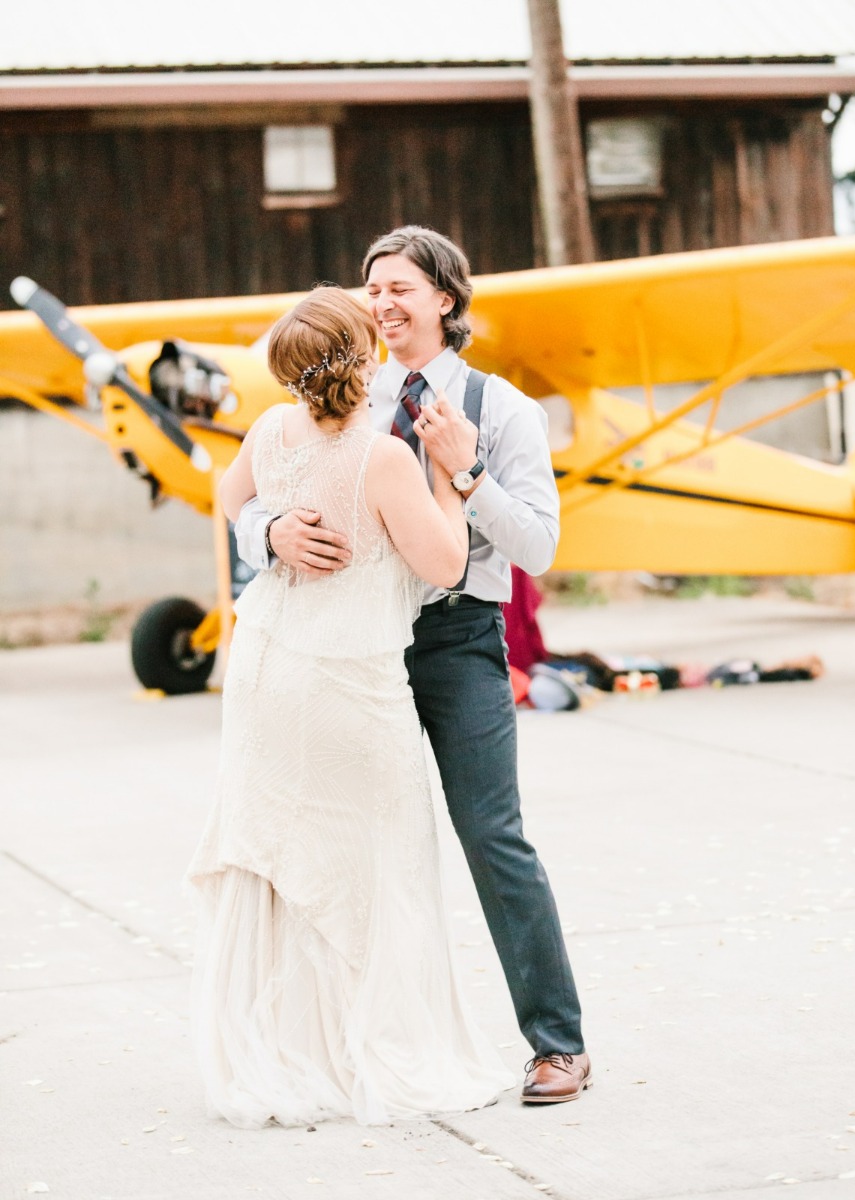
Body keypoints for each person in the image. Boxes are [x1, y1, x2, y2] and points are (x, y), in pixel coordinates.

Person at [235, 226, 591, 1104]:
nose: (383, 303)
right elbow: (253, 491)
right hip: (349, 649)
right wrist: (267, 534)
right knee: (359, 845)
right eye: (372, 287)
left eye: (402, 287)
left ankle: (558, 1044)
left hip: (457, 638)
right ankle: (354, 1044)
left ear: (446, 298)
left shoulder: (503, 410)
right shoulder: (344, 388)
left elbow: (539, 546)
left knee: (491, 837)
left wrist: (466, 470)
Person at [187, 286, 515, 1127]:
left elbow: (228, 499)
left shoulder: (267, 433)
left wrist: (261, 529)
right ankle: (361, 1051)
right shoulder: (384, 458)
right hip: (350, 683)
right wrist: (455, 475)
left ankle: (289, 1048)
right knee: (379, 863)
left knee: (287, 858)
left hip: (265, 671)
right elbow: (444, 566)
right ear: (366, 358)